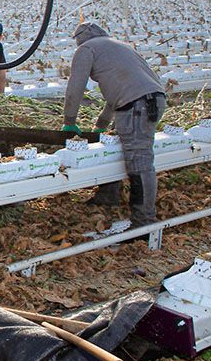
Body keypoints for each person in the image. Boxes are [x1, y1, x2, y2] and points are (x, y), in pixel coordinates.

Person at [61, 22, 166, 229]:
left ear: (79, 38)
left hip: (136, 106)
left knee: (140, 161)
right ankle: (108, 195)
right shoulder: (119, 45)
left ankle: (144, 224)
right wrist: (102, 124)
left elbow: (76, 87)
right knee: (118, 149)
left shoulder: (86, 49)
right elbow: (117, 93)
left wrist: (69, 121)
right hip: (152, 100)